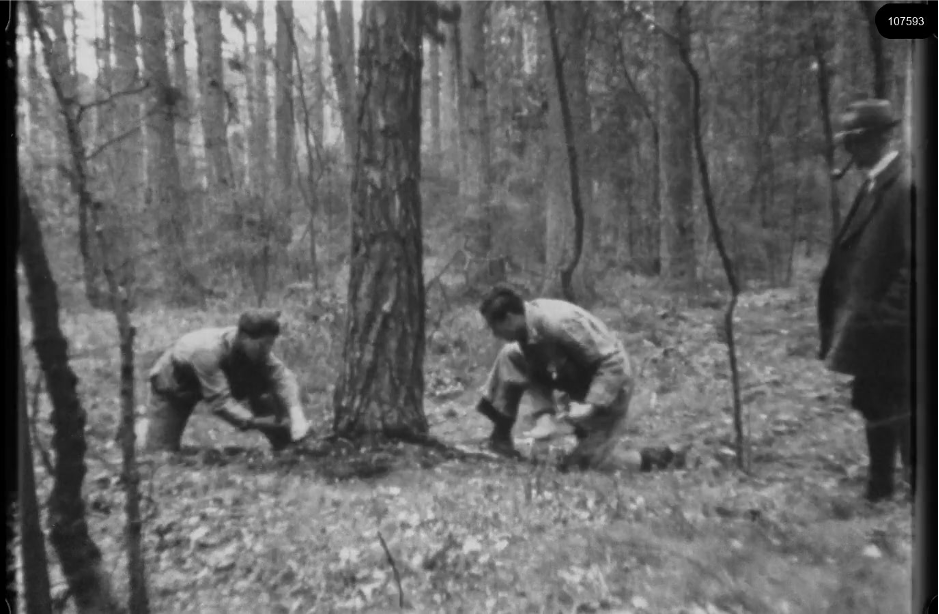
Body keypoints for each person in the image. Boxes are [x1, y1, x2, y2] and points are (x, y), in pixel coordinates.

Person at [817, 99, 913, 502]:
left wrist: (886, 315)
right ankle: (879, 488)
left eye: (855, 143)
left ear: (876, 140)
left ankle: (909, 490)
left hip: (898, 332)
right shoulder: (877, 183)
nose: (850, 154)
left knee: (905, 410)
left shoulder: (906, 186)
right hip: (876, 330)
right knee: (875, 405)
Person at [474, 284, 634, 470]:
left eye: (496, 328)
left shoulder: (560, 324)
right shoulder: (526, 326)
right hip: (576, 380)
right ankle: (500, 438)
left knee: (585, 464)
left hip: (612, 388)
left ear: (509, 318)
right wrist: (544, 414)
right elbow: (537, 369)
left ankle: (662, 457)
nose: (495, 334)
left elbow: (613, 361)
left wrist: (592, 404)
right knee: (510, 354)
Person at [141, 309, 312, 452]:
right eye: (262, 345)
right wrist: (255, 422)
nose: (267, 350)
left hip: (219, 377)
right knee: (160, 454)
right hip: (176, 385)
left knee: (266, 385)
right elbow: (220, 402)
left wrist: (295, 412)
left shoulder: (254, 348)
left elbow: (281, 376)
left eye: (270, 344)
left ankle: (287, 445)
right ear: (245, 338)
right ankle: (141, 430)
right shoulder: (207, 351)